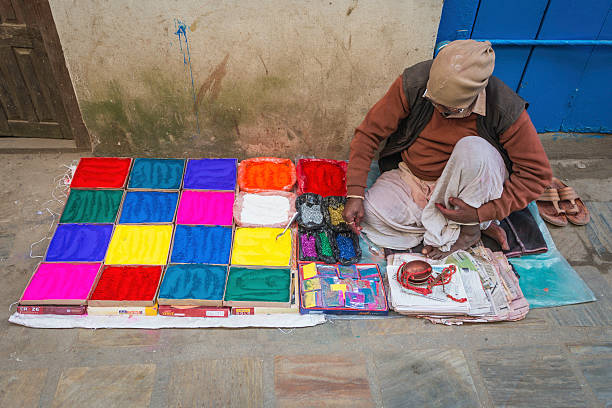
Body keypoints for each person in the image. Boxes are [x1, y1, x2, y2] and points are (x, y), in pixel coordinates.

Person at [342, 40, 552, 259]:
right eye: (433, 102)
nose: (438, 111)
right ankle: (452, 227)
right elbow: (368, 133)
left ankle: (469, 227)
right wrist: (355, 193)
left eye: (449, 109)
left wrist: (482, 212)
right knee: (371, 215)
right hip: (412, 179)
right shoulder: (415, 82)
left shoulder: (504, 107)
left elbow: (536, 176)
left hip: (466, 191)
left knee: (474, 148)